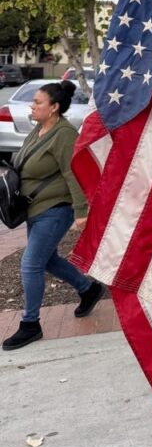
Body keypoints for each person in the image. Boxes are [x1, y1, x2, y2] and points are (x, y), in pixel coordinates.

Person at [2, 80, 105, 351]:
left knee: (30, 264)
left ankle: (30, 324)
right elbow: (23, 162)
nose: (32, 106)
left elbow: (73, 171)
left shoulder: (63, 134)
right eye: (33, 102)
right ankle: (88, 289)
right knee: (48, 260)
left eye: (38, 102)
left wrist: (81, 212)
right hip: (34, 210)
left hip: (56, 209)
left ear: (54, 108)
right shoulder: (38, 130)